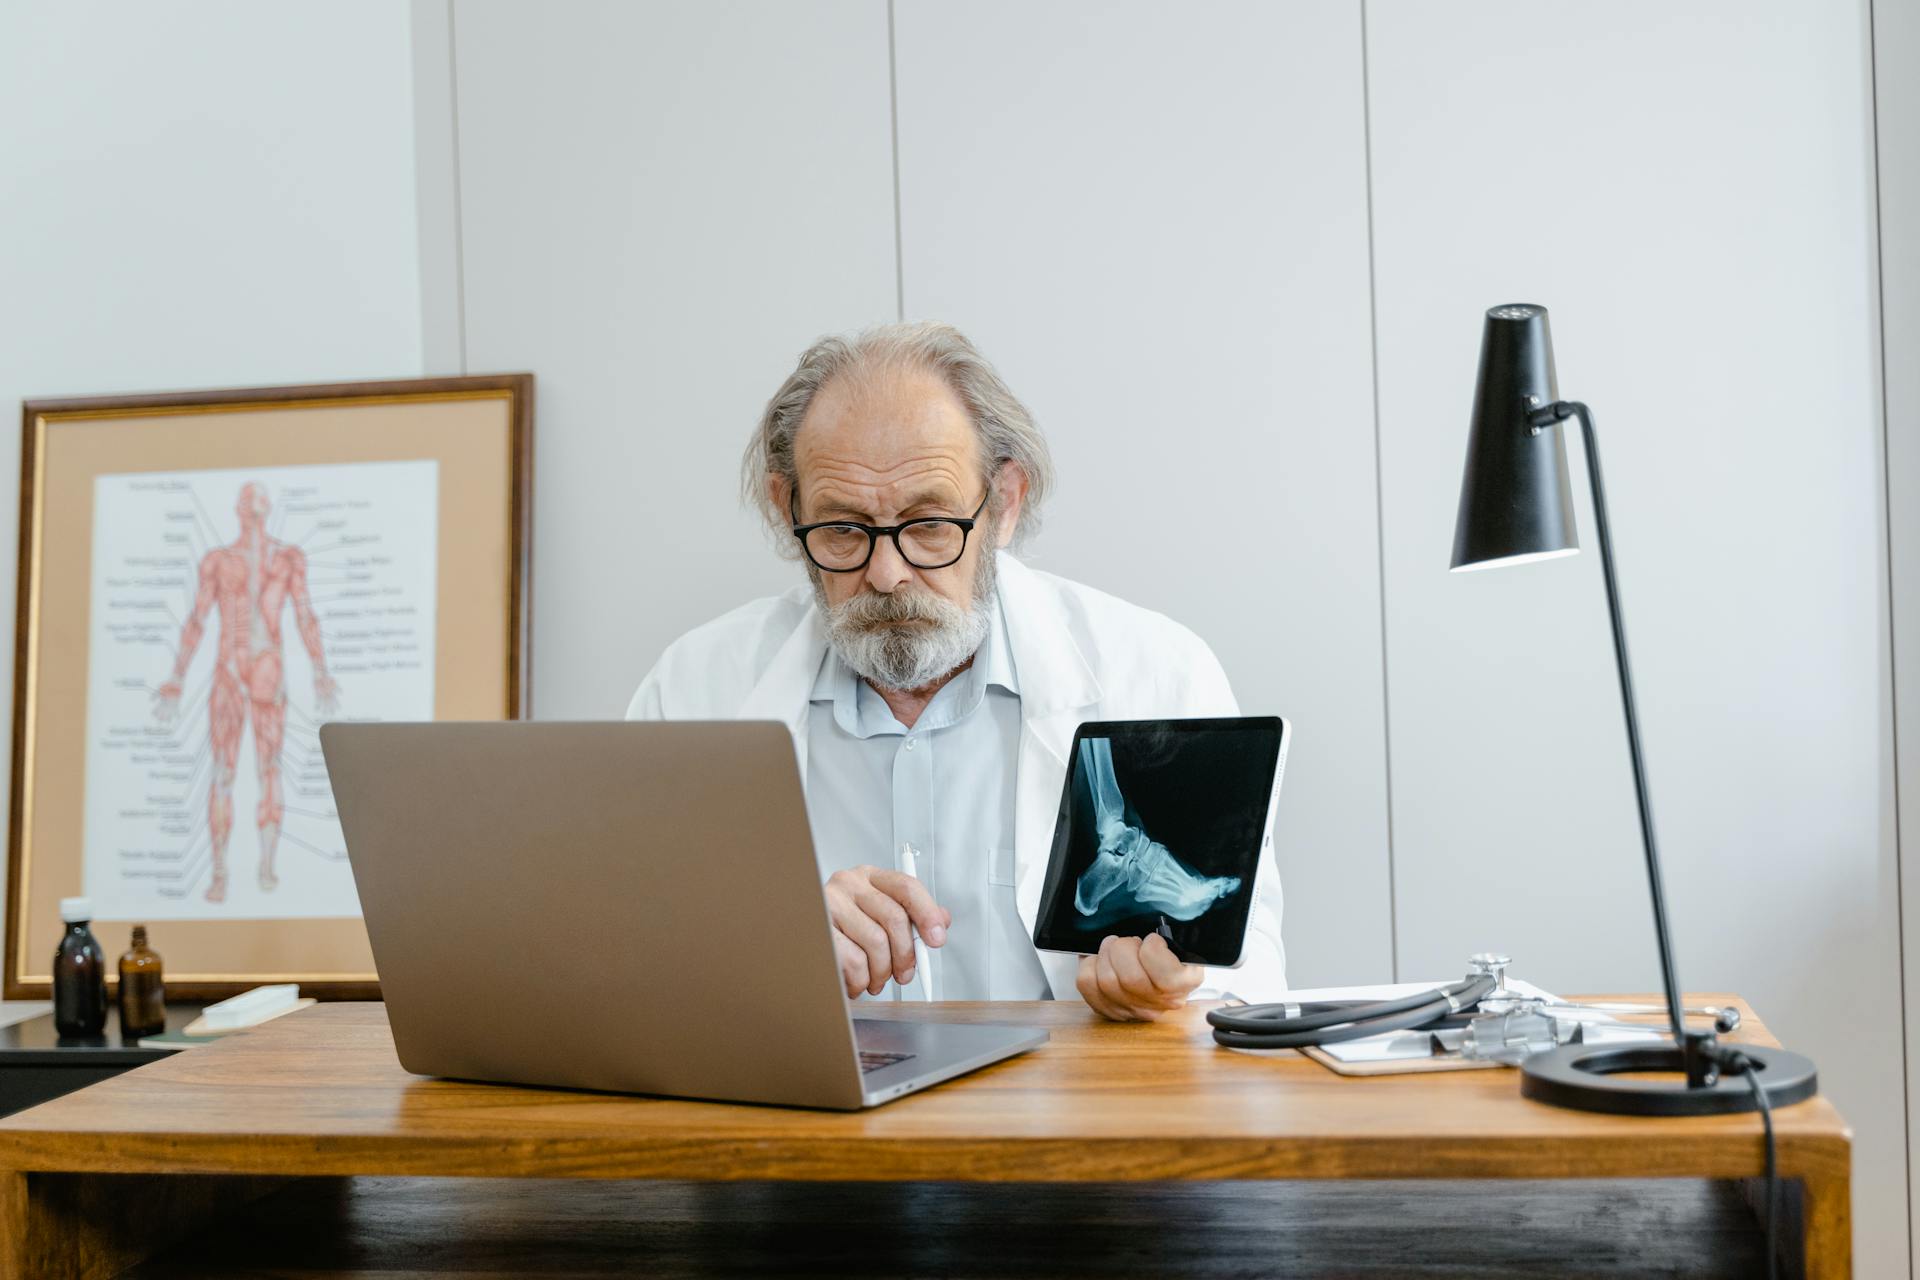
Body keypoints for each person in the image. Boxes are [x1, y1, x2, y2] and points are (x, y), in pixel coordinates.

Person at [627, 322, 1284, 1020]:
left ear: (1004, 503)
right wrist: (765, 945)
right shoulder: (693, 691)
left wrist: (1172, 993)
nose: (886, 574)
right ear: (786, 507)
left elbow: (1251, 988)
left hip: (1069, 1122)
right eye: (844, 529)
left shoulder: (1156, 675)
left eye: (930, 524)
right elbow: (622, 969)